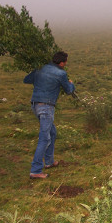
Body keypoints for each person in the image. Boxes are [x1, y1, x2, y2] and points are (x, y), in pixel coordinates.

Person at [24, 51, 75, 179]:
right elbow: (69, 90)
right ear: (62, 63)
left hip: (35, 104)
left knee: (52, 132)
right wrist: (71, 83)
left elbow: (26, 80)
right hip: (46, 107)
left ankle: (49, 162)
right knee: (45, 138)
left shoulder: (41, 68)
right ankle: (35, 170)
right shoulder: (61, 73)